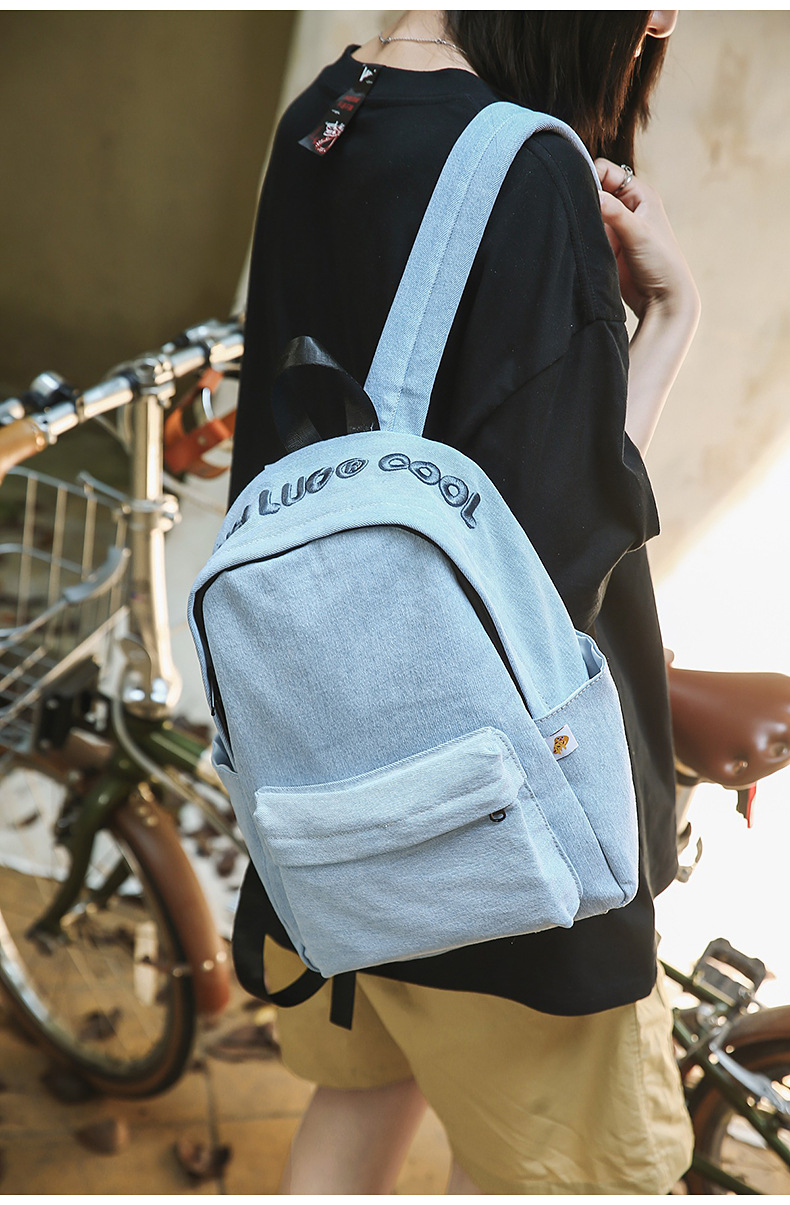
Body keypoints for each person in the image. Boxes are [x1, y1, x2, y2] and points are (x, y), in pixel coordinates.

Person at [227, 10, 701, 1195]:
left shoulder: (326, 114)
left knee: (359, 1103)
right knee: (576, 1175)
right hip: (501, 823)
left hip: (327, 789)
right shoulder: (527, 164)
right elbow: (554, 555)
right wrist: (669, 323)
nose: (663, 18)